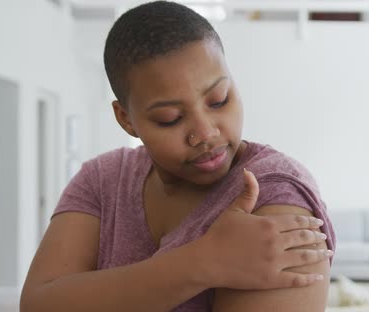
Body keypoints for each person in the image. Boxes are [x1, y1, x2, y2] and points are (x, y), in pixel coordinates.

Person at [20, 1, 335, 311]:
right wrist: (203, 262)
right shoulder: (102, 179)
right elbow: (38, 303)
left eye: (218, 100)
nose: (205, 133)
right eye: (170, 118)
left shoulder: (275, 190)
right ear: (126, 119)